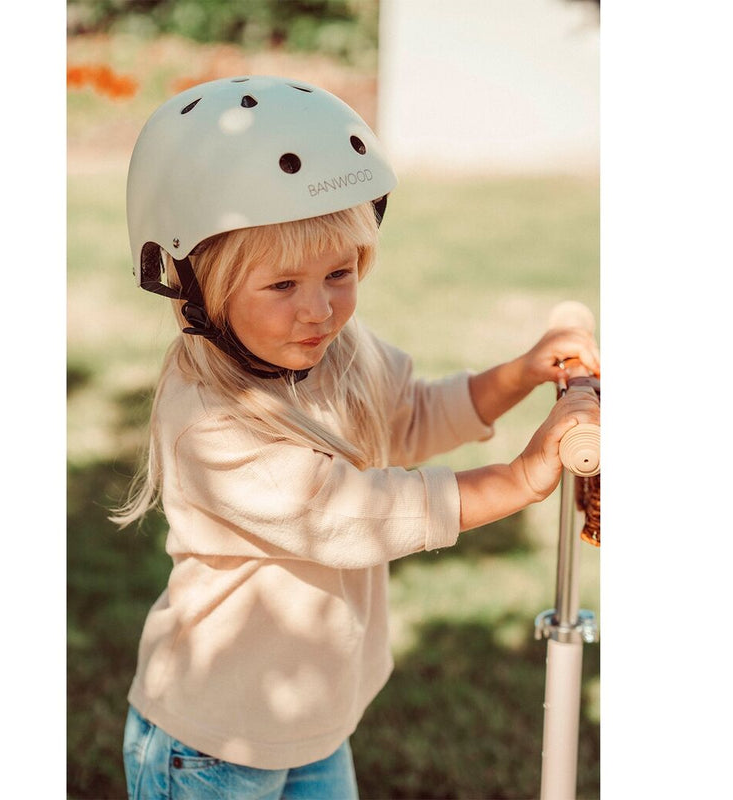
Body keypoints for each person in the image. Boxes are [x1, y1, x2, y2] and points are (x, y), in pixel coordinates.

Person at [115, 75, 600, 800]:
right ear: (198, 285)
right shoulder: (211, 423)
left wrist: (521, 372)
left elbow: (410, 416)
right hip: (214, 744)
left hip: (312, 718)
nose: (319, 309)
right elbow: (356, 514)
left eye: (340, 273)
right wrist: (519, 478)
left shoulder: (332, 352)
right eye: (282, 286)